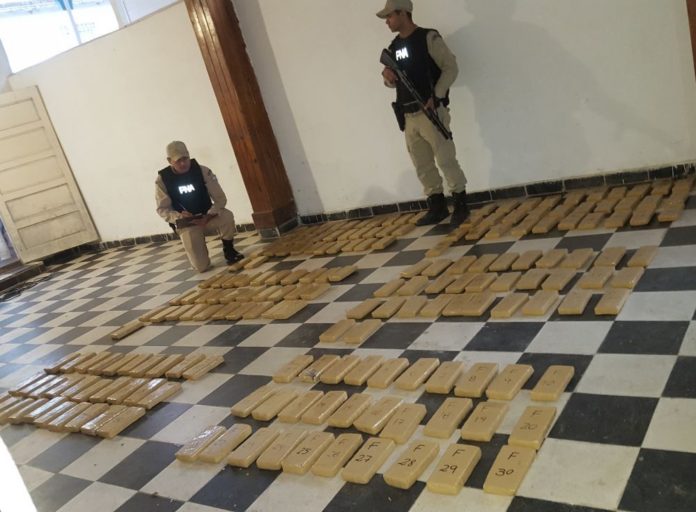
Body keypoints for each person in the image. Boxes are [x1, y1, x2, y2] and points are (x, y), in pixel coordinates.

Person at [377, 0, 469, 226]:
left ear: (403, 13)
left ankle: (460, 204)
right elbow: (394, 81)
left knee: (445, 159)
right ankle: (437, 206)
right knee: (422, 164)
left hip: (430, 112)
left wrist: (436, 96)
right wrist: (388, 78)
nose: (387, 21)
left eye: (390, 16)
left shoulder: (428, 37)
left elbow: (451, 67)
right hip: (408, 115)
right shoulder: (395, 46)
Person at [155, 141, 244, 272]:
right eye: (178, 161)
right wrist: (178, 216)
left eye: (185, 158)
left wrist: (208, 216)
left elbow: (220, 199)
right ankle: (200, 256)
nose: (183, 163)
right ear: (170, 161)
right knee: (201, 268)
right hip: (186, 224)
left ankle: (229, 250)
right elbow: (162, 209)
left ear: (189, 155)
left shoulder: (202, 171)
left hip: (207, 217)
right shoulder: (163, 180)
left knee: (227, 216)